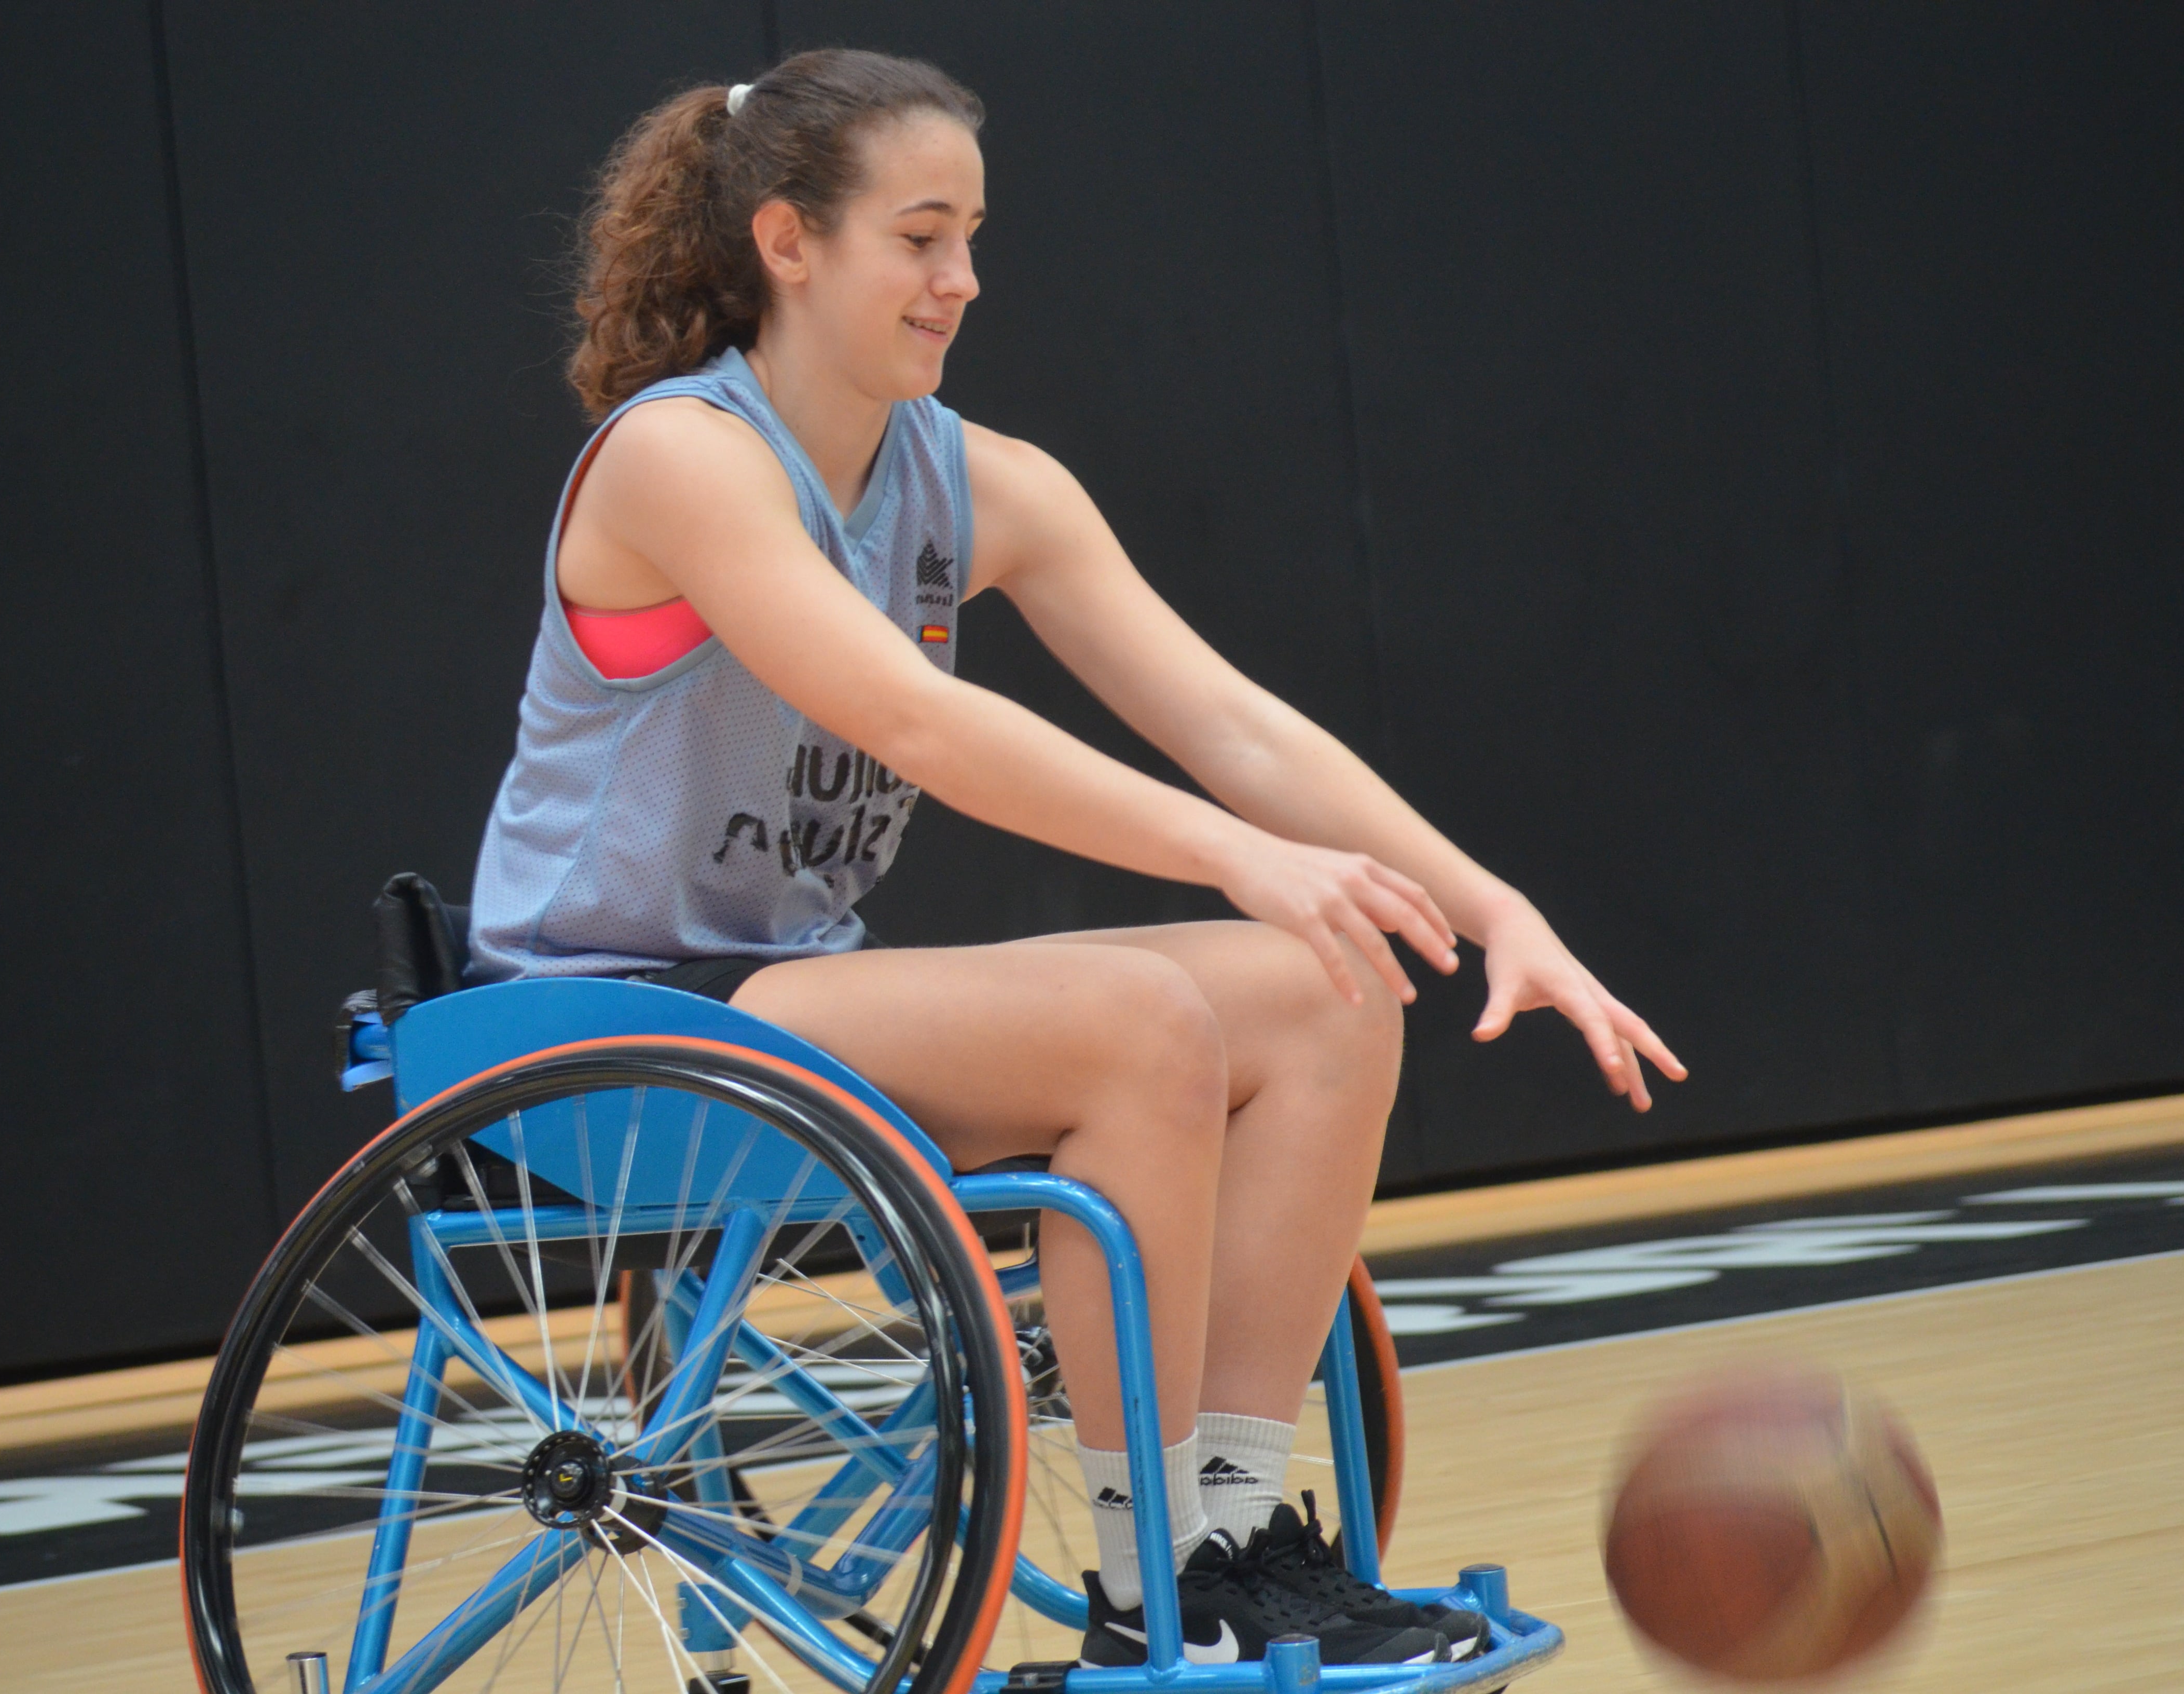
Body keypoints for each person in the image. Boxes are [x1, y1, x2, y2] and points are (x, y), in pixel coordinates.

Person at [467, 47, 1685, 1671]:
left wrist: (1494, 906)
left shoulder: (977, 483)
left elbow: (1237, 727)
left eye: (972, 236)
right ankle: (1146, 1584)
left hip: (785, 997)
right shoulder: (683, 457)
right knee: (1145, 1022)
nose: (960, 279)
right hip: (588, 1013)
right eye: (920, 237)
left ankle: (1238, 1533)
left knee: (1332, 992)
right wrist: (1245, 862)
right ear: (787, 242)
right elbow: (922, 725)